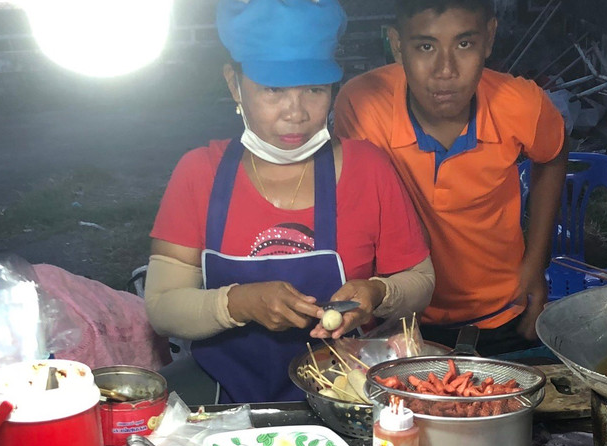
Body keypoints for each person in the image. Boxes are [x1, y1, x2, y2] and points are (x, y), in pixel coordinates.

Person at [145, 0, 434, 404]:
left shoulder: (368, 168)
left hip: (345, 396)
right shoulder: (199, 173)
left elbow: (420, 282)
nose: (296, 113)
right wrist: (239, 303)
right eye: (274, 90)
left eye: (315, 89)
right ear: (234, 84)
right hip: (222, 396)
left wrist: (375, 294)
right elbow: (162, 306)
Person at [334, 0, 567, 356]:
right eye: (425, 46)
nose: (445, 70)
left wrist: (536, 262)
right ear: (397, 45)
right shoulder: (363, 105)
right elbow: (360, 205)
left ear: (489, 39)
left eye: (464, 44)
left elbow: (552, 156)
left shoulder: (522, 104)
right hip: (397, 316)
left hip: (501, 312)